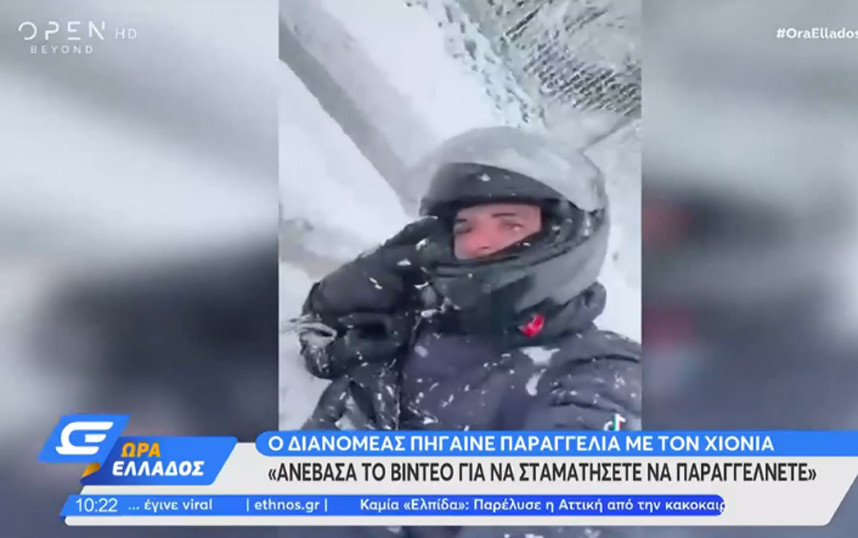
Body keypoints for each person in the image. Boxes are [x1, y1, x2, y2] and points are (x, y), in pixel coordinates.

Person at [288, 127, 642, 538]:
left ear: (564, 236)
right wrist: (370, 281)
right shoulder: (425, 322)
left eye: (509, 225)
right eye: (463, 229)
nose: (477, 244)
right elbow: (318, 347)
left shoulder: (601, 374)